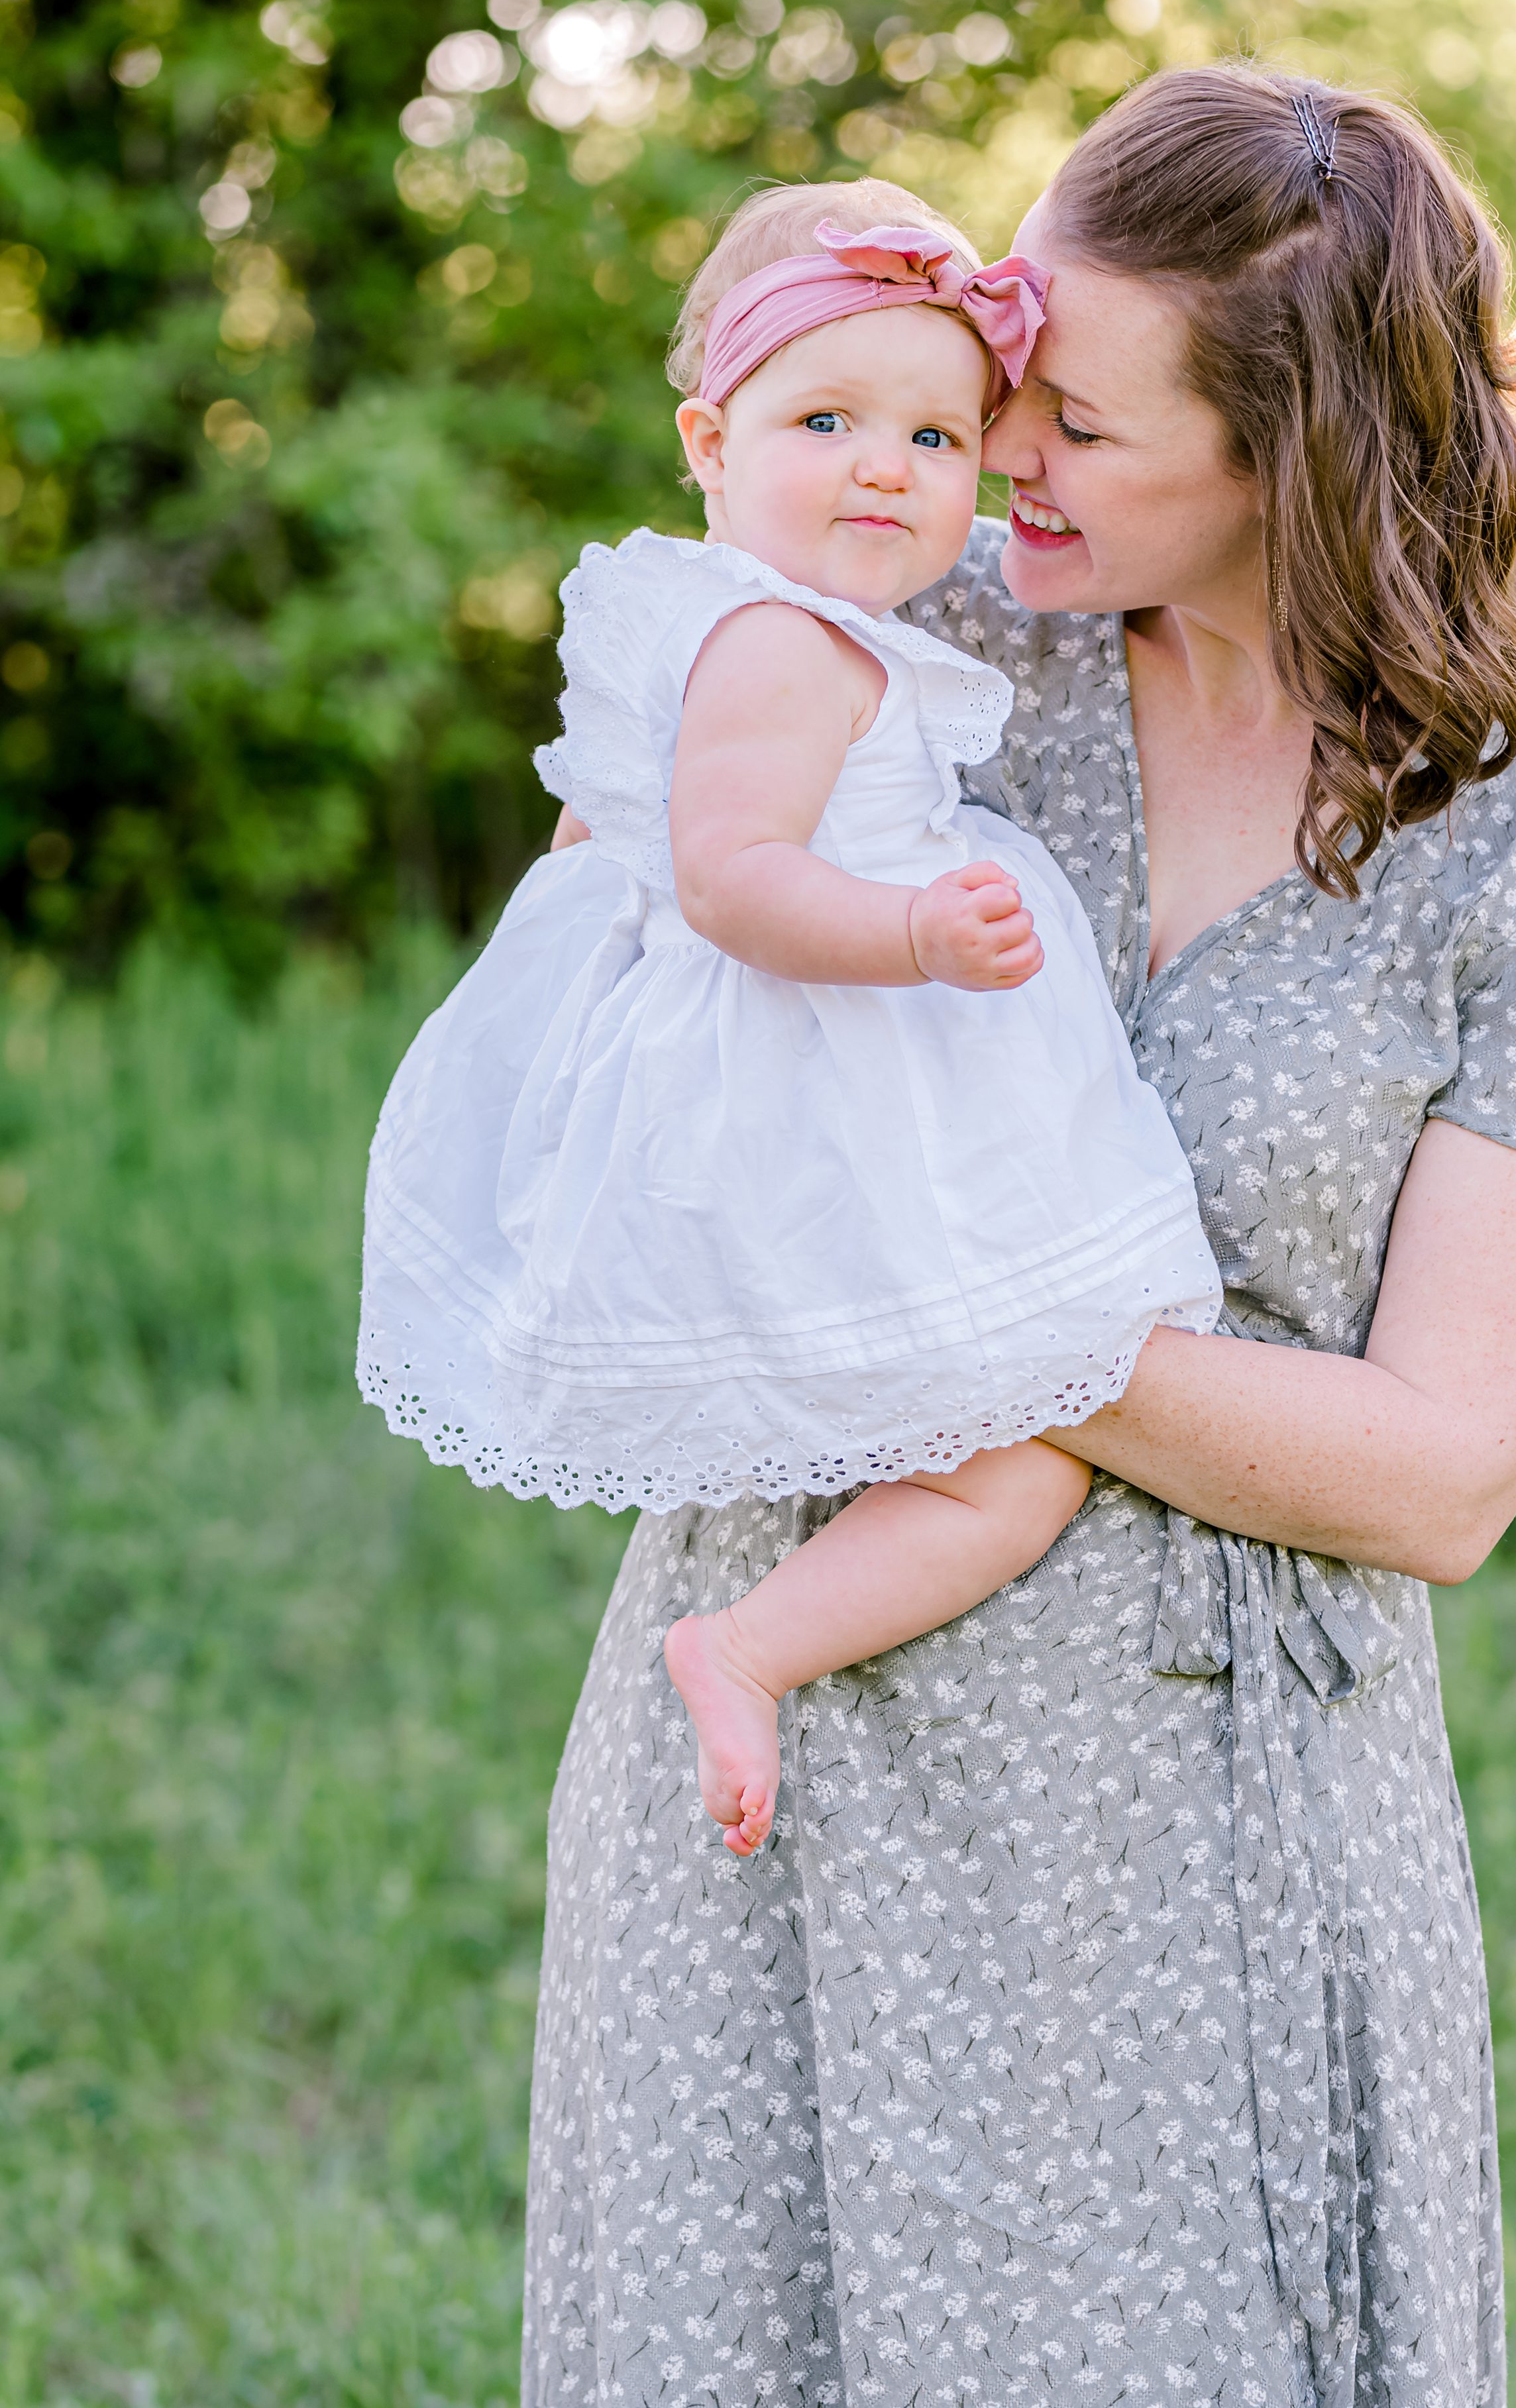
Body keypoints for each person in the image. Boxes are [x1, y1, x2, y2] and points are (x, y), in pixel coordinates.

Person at [521, 65, 1516, 2408]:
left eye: (1069, 423)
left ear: (1292, 462)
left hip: (1197, 1838)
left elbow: (1440, 1469)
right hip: (782, 1724)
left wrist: (941, 1301)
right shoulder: (898, 652)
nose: (994, 456)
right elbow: (608, 1022)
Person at [356, 180, 1221, 1858]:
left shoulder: (723, 616)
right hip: (833, 1064)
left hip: (793, 1057)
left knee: (996, 1437)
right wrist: (909, 926)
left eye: (936, 434)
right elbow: (737, 878)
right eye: (827, 420)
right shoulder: (786, 647)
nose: (888, 467)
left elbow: (604, 833)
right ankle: (747, 1645)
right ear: (710, 439)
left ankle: (754, 1633)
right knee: (1026, 1454)